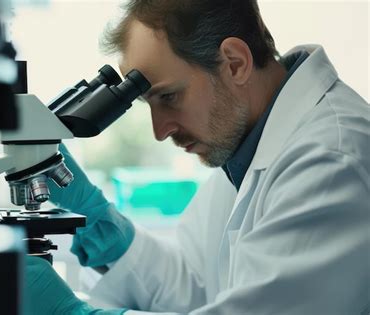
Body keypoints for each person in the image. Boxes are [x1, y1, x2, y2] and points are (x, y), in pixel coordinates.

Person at [25, 1, 370, 314]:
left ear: (235, 63)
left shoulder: (331, 162)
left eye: (170, 97)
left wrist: (69, 314)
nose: (160, 131)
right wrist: (102, 228)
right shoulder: (246, 146)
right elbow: (198, 285)